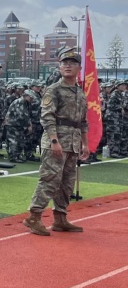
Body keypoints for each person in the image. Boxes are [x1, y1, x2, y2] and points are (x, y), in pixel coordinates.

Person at [23, 49, 89, 236]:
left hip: (73, 141)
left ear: (79, 68)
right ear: (59, 67)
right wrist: (54, 140)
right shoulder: (53, 90)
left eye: (72, 63)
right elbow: (47, 116)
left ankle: (60, 218)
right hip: (56, 139)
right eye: (64, 63)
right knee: (50, 178)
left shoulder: (80, 92)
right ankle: (34, 216)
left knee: (67, 182)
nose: (68, 66)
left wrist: (85, 143)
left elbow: (83, 121)